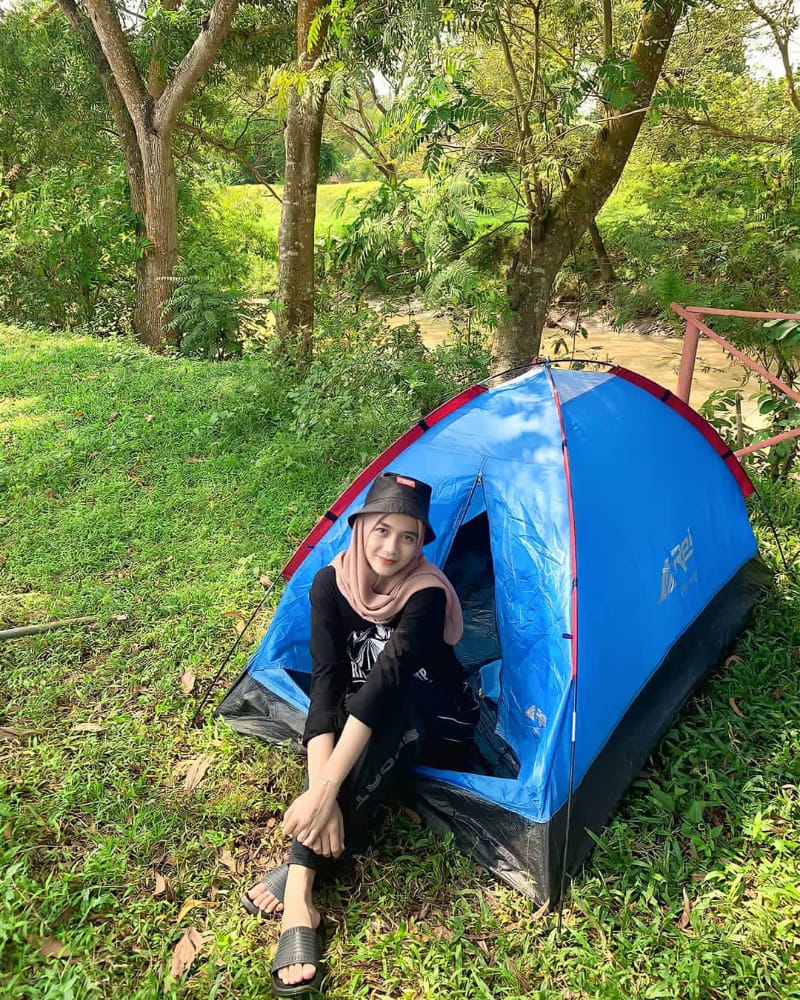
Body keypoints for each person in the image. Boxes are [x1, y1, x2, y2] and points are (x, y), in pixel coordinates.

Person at [241, 471, 479, 997]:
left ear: (421, 544)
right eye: (382, 530)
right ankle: (304, 885)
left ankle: (298, 892)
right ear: (360, 526)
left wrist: (324, 791)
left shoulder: (425, 594)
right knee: (344, 713)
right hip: (363, 705)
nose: (392, 549)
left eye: (409, 537)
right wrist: (318, 794)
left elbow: (384, 689)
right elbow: (326, 686)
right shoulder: (330, 584)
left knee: (375, 718)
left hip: (433, 713)